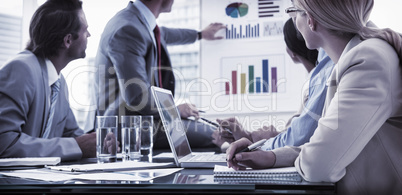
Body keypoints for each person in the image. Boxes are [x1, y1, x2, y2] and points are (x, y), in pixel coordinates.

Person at [226, 0, 402, 194]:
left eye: (293, 11)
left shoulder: (366, 60)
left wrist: (295, 156)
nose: (293, 22)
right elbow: (322, 149)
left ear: (310, 20)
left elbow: (318, 165)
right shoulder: (355, 57)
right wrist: (271, 157)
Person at [95, 0, 226, 149]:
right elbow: (136, 97)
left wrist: (200, 34)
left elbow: (165, 34)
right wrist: (175, 110)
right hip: (130, 128)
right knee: (218, 136)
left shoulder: (138, 22)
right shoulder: (127, 29)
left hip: (146, 119)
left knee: (218, 132)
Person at [214, 18, 334, 152]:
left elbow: (296, 139)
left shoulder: (319, 82)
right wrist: (248, 137)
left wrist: (250, 141)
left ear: (292, 51)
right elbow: (294, 134)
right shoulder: (316, 80)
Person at [0, 0, 96, 161]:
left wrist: (98, 141)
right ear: (68, 40)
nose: (89, 35)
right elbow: (5, 143)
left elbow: (71, 134)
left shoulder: (59, 83)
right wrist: (77, 146)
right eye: (85, 30)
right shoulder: (21, 69)